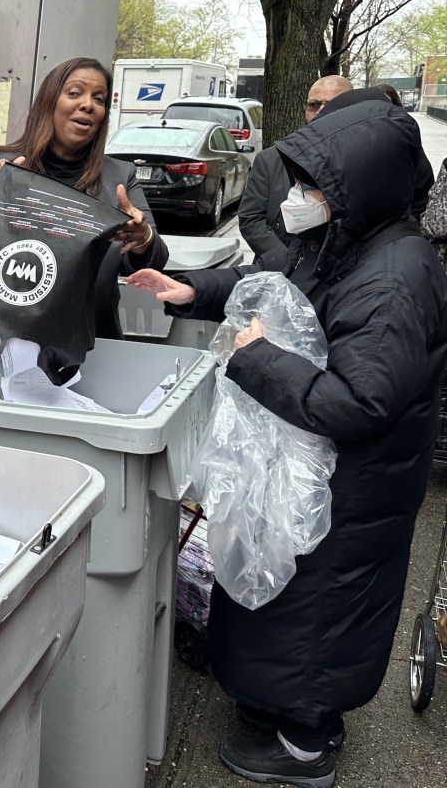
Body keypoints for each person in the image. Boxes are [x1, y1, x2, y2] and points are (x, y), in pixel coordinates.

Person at [128, 91, 447, 787]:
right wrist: (192, 291)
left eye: (312, 184)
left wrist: (255, 357)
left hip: (355, 486)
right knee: (288, 600)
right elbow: (277, 284)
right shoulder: (355, 242)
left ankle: (306, 742)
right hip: (321, 474)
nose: (298, 196)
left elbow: (360, 401)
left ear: (354, 184)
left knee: (320, 613)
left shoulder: (396, 280)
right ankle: (277, 705)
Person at [0, 56, 168, 340]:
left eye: (99, 99)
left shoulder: (119, 177)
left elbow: (155, 260)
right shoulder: (1, 165)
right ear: (49, 101)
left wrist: (141, 237)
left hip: (89, 344)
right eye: (74, 93)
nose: (88, 105)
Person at [238, 75, 353, 270]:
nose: (321, 112)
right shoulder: (270, 159)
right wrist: (287, 259)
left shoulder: (365, 162)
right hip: (278, 274)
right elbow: (251, 219)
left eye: (332, 104)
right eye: (314, 105)